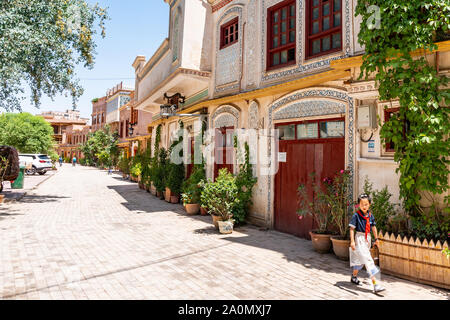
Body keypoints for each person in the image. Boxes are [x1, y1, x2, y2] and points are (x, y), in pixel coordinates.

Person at [349, 193, 385, 293]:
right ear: (358, 205)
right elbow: (352, 229)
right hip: (359, 238)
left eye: (366, 204)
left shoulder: (370, 215)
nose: (364, 206)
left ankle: (354, 276)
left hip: (367, 238)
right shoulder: (356, 215)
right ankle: (376, 284)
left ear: (369, 204)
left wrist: (376, 238)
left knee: (360, 261)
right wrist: (352, 241)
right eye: (361, 204)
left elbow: (373, 227)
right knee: (368, 260)